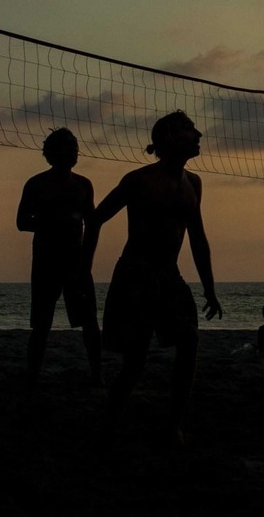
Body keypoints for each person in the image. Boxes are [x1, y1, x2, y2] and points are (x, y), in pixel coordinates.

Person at [82, 110, 221, 443]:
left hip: (169, 276)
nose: (198, 134)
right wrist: (83, 269)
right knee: (136, 360)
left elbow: (198, 237)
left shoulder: (194, 183)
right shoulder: (139, 180)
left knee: (189, 341)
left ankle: (174, 423)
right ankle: (110, 422)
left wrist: (209, 290)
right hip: (136, 274)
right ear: (170, 138)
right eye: (190, 129)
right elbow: (97, 218)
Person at [17, 128, 102, 384]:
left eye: (74, 147)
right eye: (67, 148)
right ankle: (32, 376)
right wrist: (50, 221)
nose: (72, 152)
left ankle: (97, 375)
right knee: (42, 322)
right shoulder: (36, 184)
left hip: (76, 261)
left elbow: (93, 224)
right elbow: (21, 222)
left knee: (89, 321)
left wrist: (86, 262)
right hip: (46, 260)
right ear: (51, 154)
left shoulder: (83, 185)